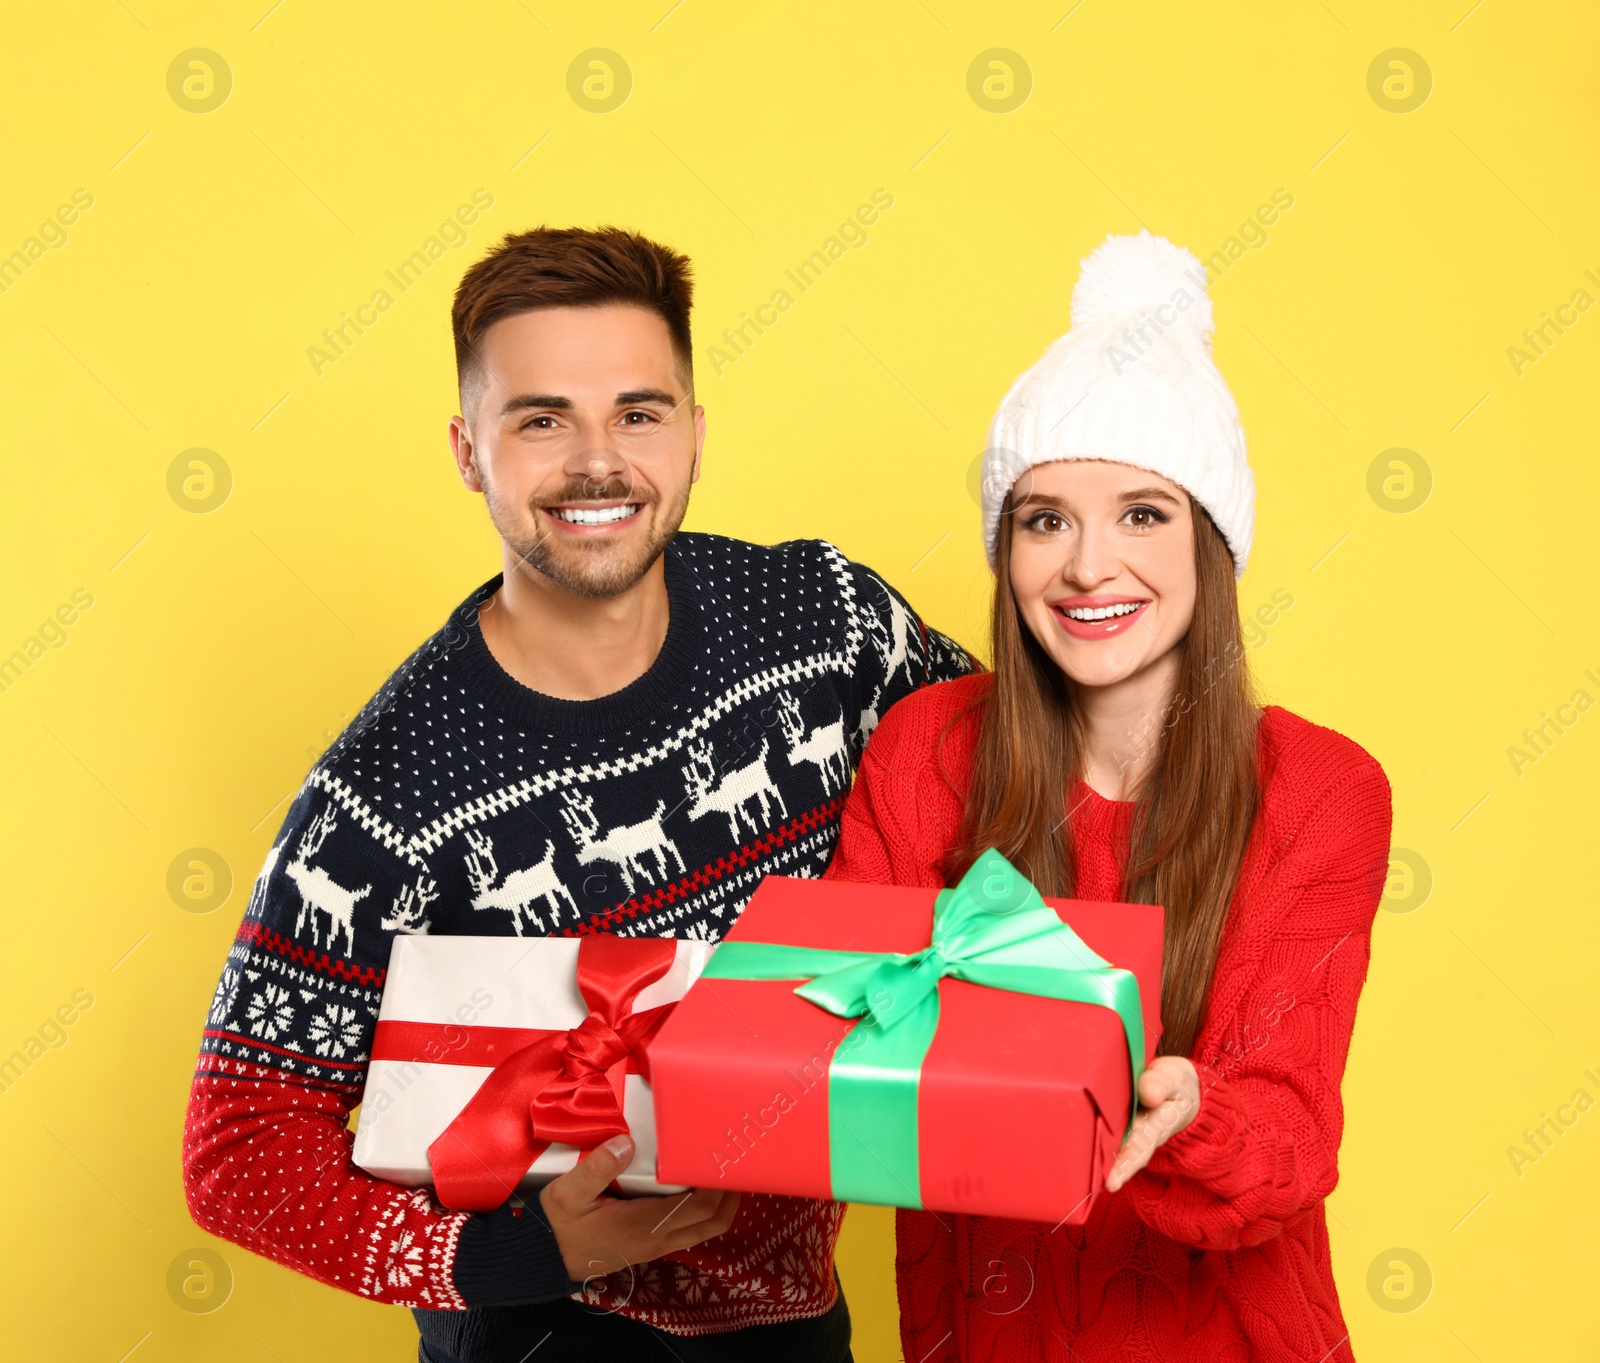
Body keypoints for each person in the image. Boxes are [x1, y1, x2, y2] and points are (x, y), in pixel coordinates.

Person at [182, 225, 976, 1363]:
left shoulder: (829, 624)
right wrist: (511, 1256)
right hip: (546, 1332)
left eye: (638, 413)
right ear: (469, 450)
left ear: (694, 436)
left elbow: (1008, 785)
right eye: (541, 418)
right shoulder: (387, 795)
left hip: (794, 1315)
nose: (598, 462)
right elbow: (240, 1146)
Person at [822, 230, 1392, 1362]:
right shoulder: (925, 750)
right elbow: (840, 1045)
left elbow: (1289, 1143)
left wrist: (1196, 1112)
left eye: (1141, 513)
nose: (1088, 566)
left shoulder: (1320, 792)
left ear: (1210, 542)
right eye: (1045, 519)